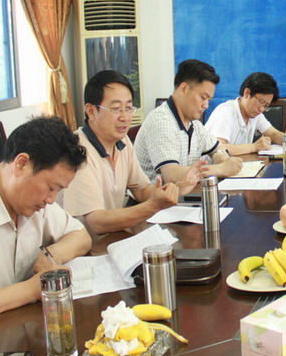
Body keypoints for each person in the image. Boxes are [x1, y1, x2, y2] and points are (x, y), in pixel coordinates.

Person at [0, 116, 91, 330]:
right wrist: (32, 289)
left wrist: (50, 255)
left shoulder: (33, 201)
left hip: (24, 329)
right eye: (51, 187)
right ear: (22, 164)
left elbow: (81, 236)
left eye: (58, 191)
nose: (51, 200)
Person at [60, 71, 197, 235]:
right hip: (85, 244)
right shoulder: (77, 152)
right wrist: (153, 206)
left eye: (129, 108)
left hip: (113, 237)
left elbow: (141, 189)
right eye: (116, 109)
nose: (125, 117)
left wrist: (171, 191)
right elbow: (97, 222)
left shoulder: (122, 141)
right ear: (91, 111)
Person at [135, 59, 242, 182]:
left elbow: (218, 147)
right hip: (156, 194)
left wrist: (219, 155)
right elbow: (171, 174)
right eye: (203, 97)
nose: (206, 105)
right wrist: (220, 169)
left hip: (184, 192)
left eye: (209, 100)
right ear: (184, 89)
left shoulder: (194, 123)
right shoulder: (162, 121)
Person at [206, 72, 285, 155]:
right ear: (247, 93)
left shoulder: (256, 115)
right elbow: (218, 149)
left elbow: (274, 134)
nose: (261, 109)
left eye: (266, 105)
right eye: (261, 102)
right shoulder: (225, 112)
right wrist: (254, 147)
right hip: (211, 163)